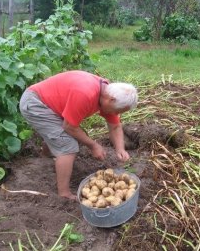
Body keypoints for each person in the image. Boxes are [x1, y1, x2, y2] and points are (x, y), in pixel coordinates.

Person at [19, 70, 138, 200]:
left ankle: (46, 156)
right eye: (118, 110)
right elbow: (69, 126)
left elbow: (115, 126)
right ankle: (63, 193)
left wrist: (120, 149)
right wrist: (93, 145)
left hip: (51, 104)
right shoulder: (85, 94)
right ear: (111, 100)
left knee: (64, 135)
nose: (116, 114)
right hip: (36, 103)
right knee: (68, 145)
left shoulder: (107, 93)